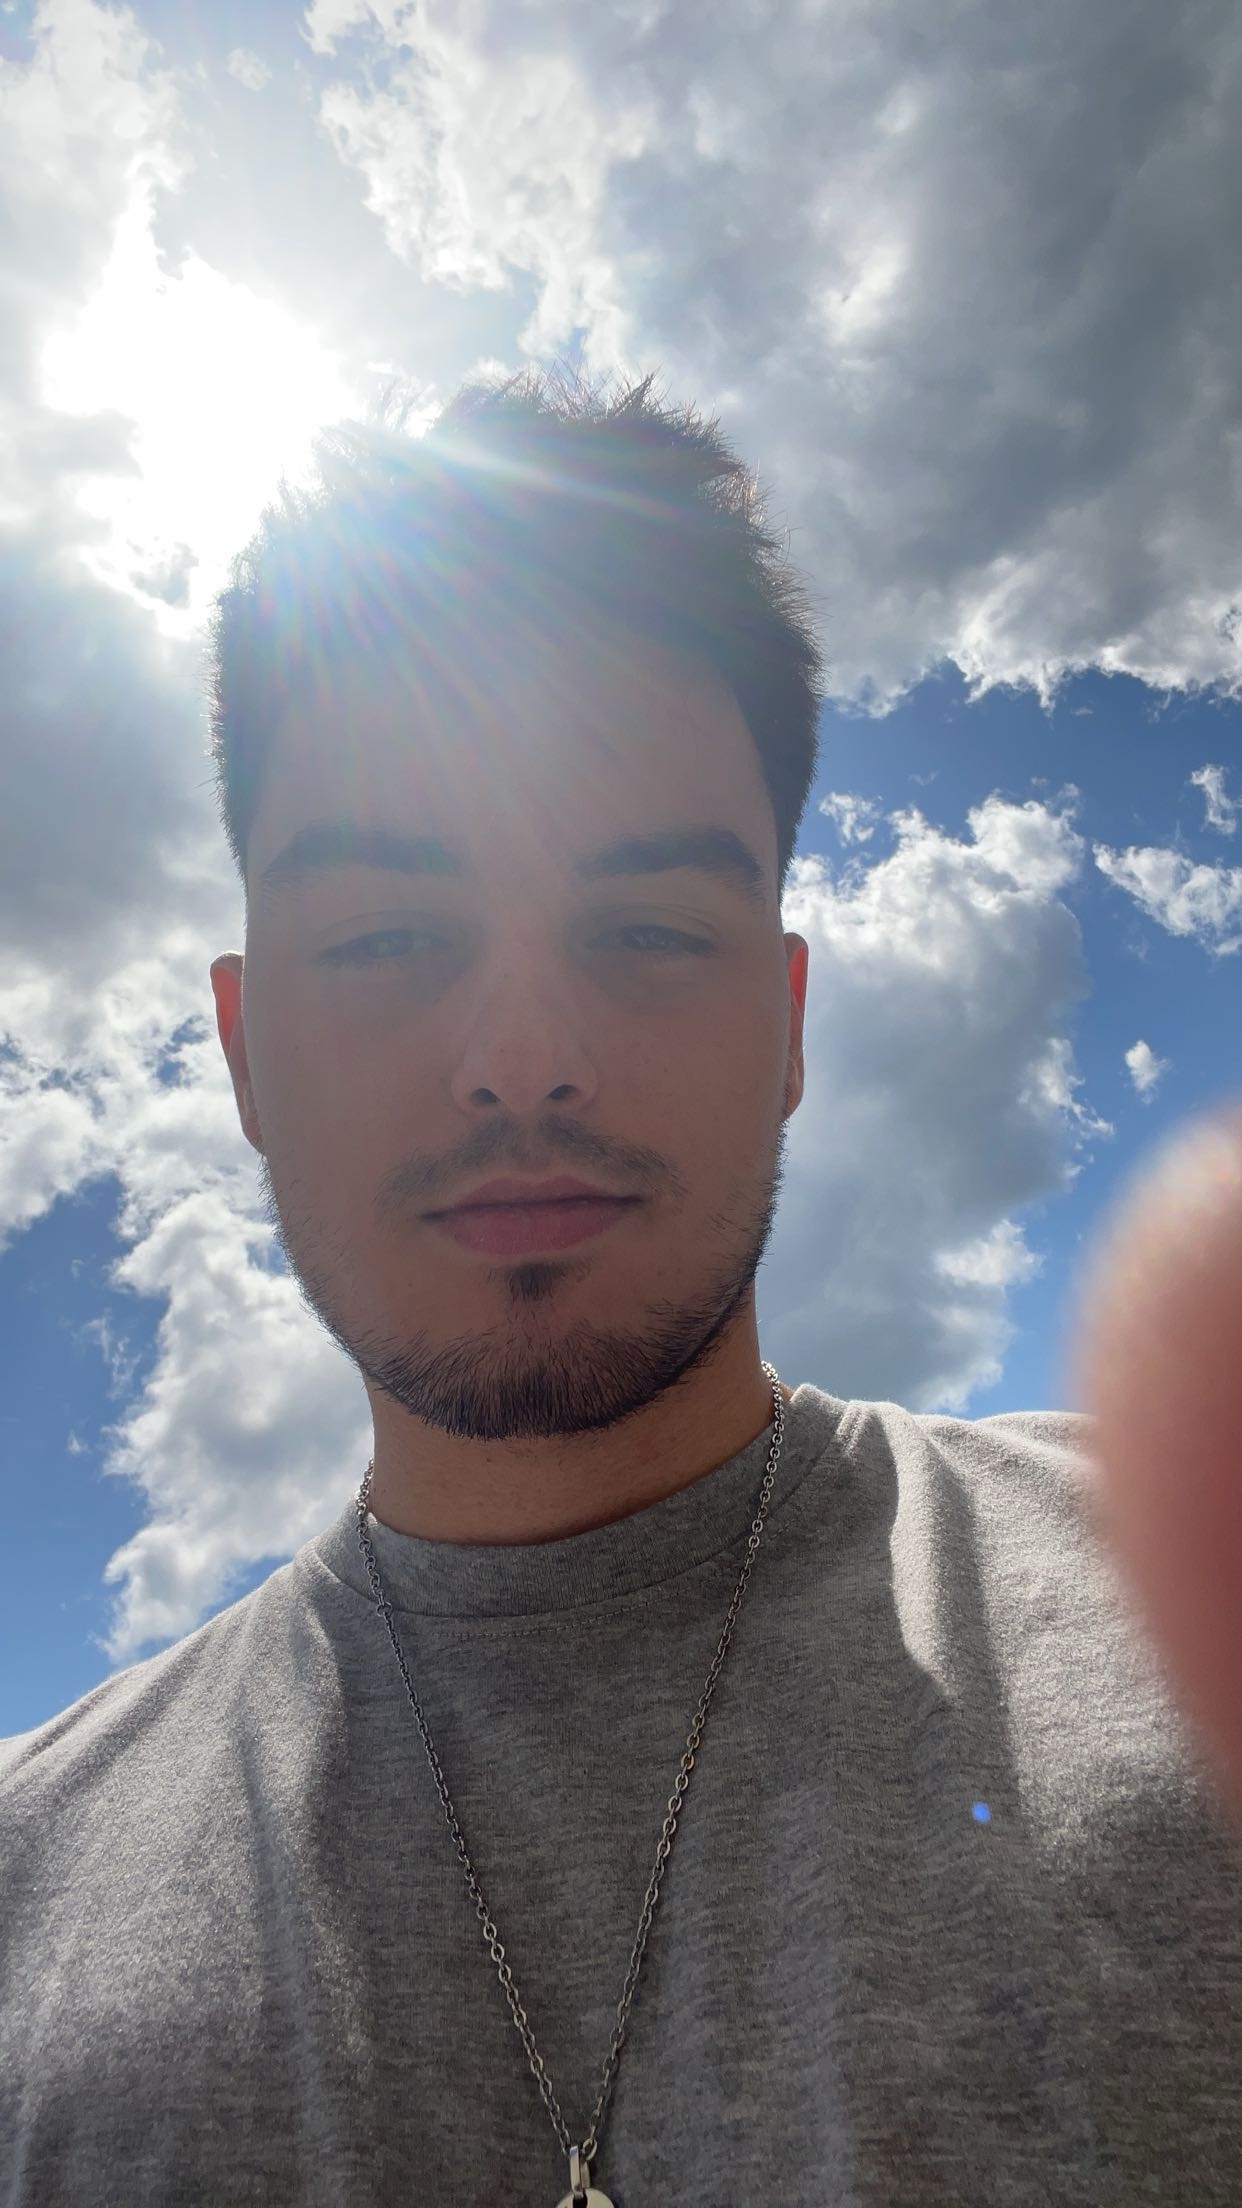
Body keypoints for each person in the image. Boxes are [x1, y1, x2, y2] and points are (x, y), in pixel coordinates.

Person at [2, 370, 1240, 2207]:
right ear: (245, 1052)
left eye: (650, 928)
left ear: (789, 1025)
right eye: (386, 937)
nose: (522, 1059)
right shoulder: (25, 1878)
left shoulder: (1195, 1614)